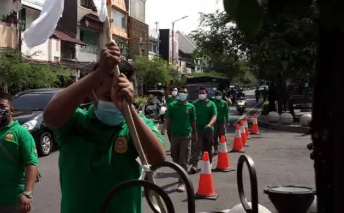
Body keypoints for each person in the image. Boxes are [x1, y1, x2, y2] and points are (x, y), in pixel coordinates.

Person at [43, 41, 166, 213]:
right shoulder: (76, 121)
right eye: (108, 95)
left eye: (120, 95)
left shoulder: (138, 127)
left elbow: (157, 159)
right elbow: (50, 117)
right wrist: (100, 72)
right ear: (92, 92)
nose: (114, 101)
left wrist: (127, 109)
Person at [164, 86, 197, 192]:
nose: (183, 94)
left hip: (186, 135)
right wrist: (163, 128)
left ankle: (181, 182)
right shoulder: (172, 105)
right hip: (175, 135)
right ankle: (180, 171)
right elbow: (167, 118)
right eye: (181, 92)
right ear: (178, 94)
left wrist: (195, 133)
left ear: (187, 94)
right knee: (175, 157)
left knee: (183, 159)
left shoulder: (191, 107)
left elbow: (193, 121)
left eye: (185, 92)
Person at [189, 87, 217, 174]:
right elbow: (190, 117)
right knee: (196, 147)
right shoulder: (194, 104)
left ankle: (209, 162)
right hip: (197, 129)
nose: (201, 95)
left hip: (208, 129)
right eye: (200, 93)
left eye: (203, 93)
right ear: (197, 94)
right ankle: (194, 165)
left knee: (207, 148)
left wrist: (210, 124)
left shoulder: (211, 104)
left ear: (206, 94)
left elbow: (214, 116)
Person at [212, 91, 229, 155]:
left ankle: (223, 148)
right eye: (217, 95)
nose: (218, 96)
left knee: (222, 135)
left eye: (219, 95)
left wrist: (227, 121)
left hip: (222, 121)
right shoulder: (213, 103)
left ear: (221, 96)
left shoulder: (224, 103)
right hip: (214, 122)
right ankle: (216, 149)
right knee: (214, 136)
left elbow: (226, 112)